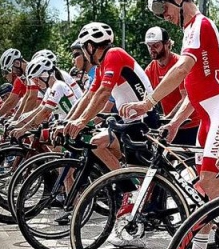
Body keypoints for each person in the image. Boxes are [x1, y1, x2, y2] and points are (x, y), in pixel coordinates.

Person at [122, 0, 219, 249]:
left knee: (209, 181)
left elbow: (183, 69)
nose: (164, 16)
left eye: (163, 8)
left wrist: (148, 102)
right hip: (208, 113)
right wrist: (175, 123)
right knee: (201, 186)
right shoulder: (189, 31)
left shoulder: (200, 25)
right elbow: (194, 92)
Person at [63, 22, 155, 171]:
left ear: (90, 46)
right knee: (97, 143)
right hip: (128, 120)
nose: (85, 55)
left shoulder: (114, 54)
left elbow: (104, 93)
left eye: (83, 49)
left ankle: (131, 187)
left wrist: (82, 121)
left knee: (140, 174)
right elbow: (88, 96)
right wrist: (70, 121)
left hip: (143, 119)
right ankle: (125, 186)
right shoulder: (101, 67)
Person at [143, 26, 199, 146]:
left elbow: (185, 97)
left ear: (167, 44)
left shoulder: (179, 64)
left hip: (190, 124)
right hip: (170, 123)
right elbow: (145, 97)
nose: (152, 49)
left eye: (156, 45)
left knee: (188, 163)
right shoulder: (150, 69)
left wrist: (167, 118)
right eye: (149, 46)